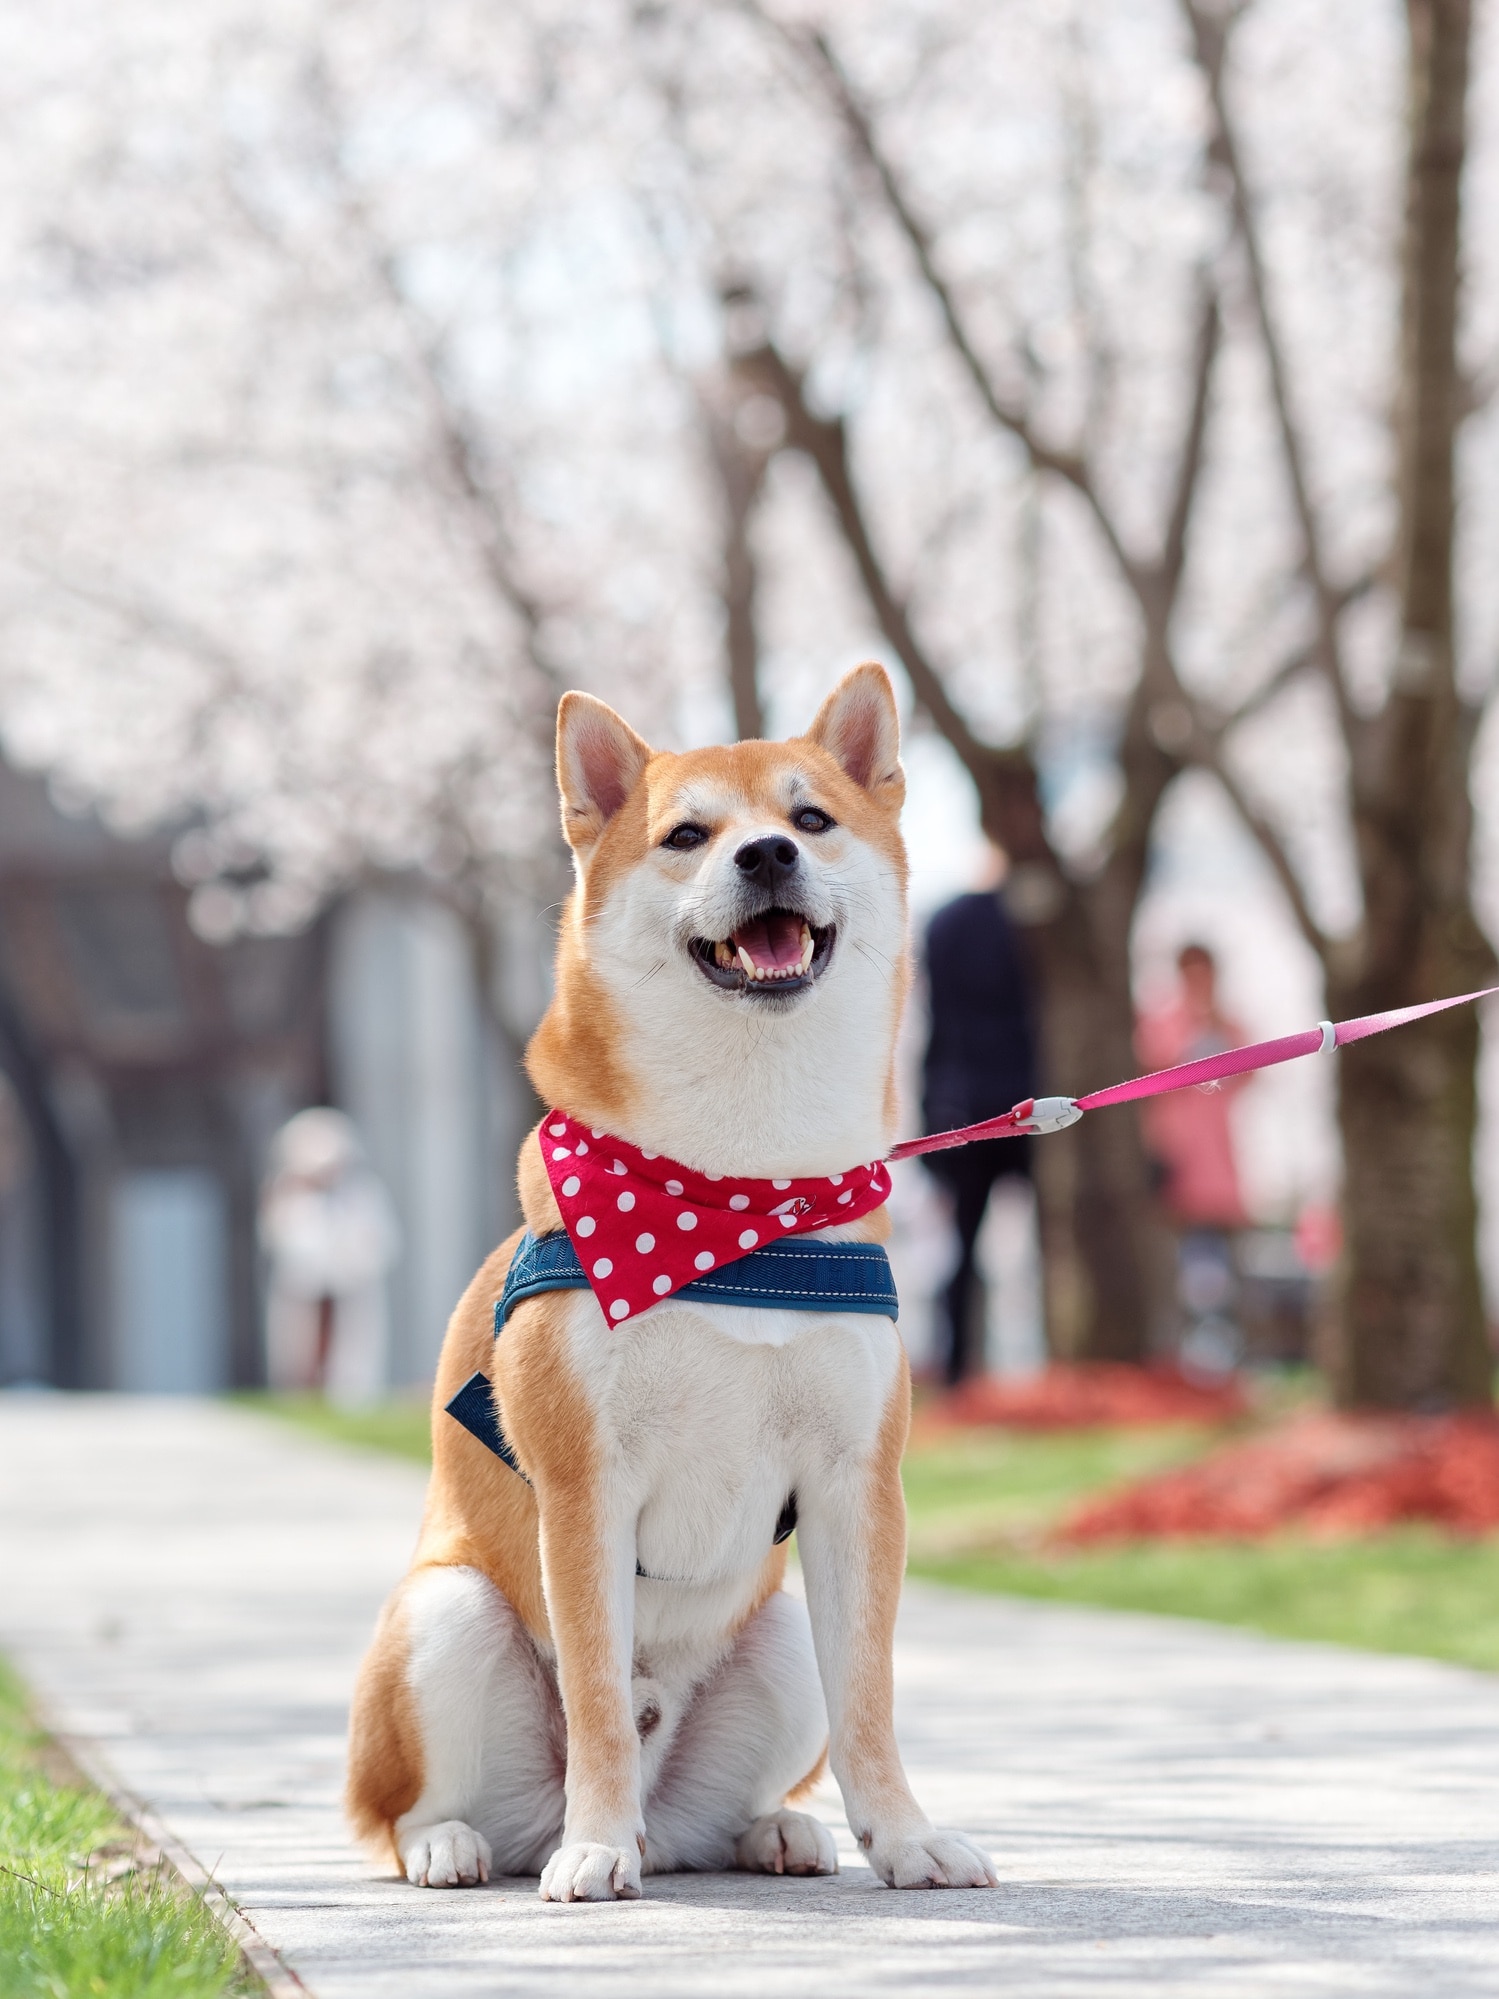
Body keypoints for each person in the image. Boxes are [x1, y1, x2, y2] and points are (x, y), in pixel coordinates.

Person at [920, 849, 1038, 1385]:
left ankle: (958, 1370)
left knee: (961, 1249)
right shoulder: (1037, 926)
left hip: (962, 1109)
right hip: (1039, 1105)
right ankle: (1035, 1366)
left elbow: (935, 1030)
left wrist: (931, 1119)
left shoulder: (944, 924)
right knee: (1046, 1246)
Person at [1135, 943, 1250, 1369]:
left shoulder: (1227, 1023)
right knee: (1185, 1270)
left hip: (1221, 1167)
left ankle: (1222, 1358)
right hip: (1177, 1162)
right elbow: (1152, 1071)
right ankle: (1183, 1357)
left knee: (1220, 1271)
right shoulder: (1162, 1022)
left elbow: (1249, 1073)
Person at [259, 1108, 399, 1405]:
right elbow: (286, 1244)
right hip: (305, 1294)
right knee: (300, 1352)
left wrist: (350, 1259)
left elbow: (379, 1243)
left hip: (351, 1293)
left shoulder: (363, 1194)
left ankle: (349, 1400)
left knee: (351, 1359)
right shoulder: (288, 1196)